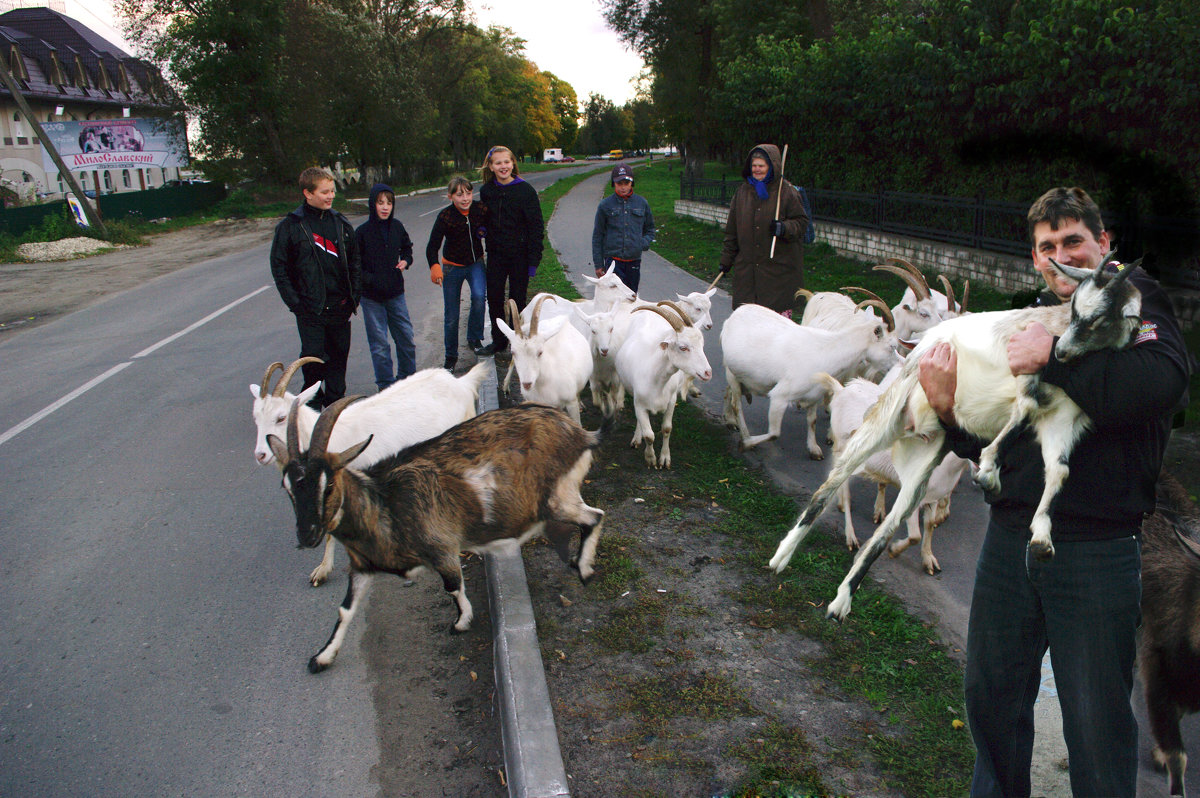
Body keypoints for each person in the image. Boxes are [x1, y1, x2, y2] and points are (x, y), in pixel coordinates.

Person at [917, 186, 1191, 797]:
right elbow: (1006, 442)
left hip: (1096, 550)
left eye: (1074, 241)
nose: (1061, 255)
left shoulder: (1140, 305)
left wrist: (1056, 359)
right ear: (1035, 258)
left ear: (1104, 244)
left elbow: (1158, 386)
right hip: (1011, 538)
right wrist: (948, 413)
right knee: (991, 699)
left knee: (1096, 723)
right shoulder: (1033, 316)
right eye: (1048, 246)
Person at [269, 166, 361, 409]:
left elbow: (355, 263)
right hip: (311, 311)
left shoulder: (341, 223)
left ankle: (335, 410)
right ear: (308, 194)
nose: (330, 196)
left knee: (338, 364)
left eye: (332, 191)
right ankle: (309, 409)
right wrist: (297, 305)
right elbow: (280, 269)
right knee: (313, 362)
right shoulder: (291, 226)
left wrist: (354, 297)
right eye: (324, 192)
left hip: (340, 309)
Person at [717, 143, 810, 316]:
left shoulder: (787, 192)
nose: (757, 170)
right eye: (754, 166)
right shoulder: (742, 193)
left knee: (775, 331)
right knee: (747, 324)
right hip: (748, 274)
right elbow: (732, 231)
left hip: (777, 275)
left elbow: (802, 222)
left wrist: (784, 228)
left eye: (761, 166)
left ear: (772, 166)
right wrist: (726, 260)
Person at [476, 145, 543, 356]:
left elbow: (536, 226)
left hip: (520, 256)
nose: (503, 166)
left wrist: (533, 261)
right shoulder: (487, 191)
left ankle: (518, 340)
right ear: (491, 166)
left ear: (513, 163)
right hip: (496, 254)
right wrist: (482, 228)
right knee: (494, 298)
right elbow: (484, 217)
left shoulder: (525, 191)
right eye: (498, 163)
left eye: (507, 162)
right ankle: (499, 341)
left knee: (517, 299)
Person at [355, 182, 416, 391]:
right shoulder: (362, 233)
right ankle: (386, 387)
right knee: (380, 345)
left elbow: (408, 248)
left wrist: (406, 261)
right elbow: (355, 266)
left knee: (406, 338)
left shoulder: (397, 227)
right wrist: (372, 280)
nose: (385, 207)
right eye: (380, 202)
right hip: (371, 298)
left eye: (389, 203)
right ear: (373, 204)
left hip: (395, 294)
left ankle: (408, 381)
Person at [426, 175, 488, 370]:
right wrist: (434, 266)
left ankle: (474, 337)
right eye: (459, 195)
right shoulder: (446, 216)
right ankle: (451, 357)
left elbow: (495, 221)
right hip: (452, 267)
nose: (465, 198)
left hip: (475, 263)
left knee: (479, 297)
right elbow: (432, 246)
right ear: (450, 196)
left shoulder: (479, 209)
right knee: (451, 314)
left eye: (468, 193)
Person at [591, 163, 656, 292]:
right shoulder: (605, 205)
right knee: (614, 297)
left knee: (631, 298)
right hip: (613, 262)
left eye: (626, 183)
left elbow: (650, 229)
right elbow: (598, 235)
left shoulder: (641, 203)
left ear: (632, 183)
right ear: (614, 184)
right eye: (619, 184)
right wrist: (599, 264)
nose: (623, 187)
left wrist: (642, 243)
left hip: (633, 262)